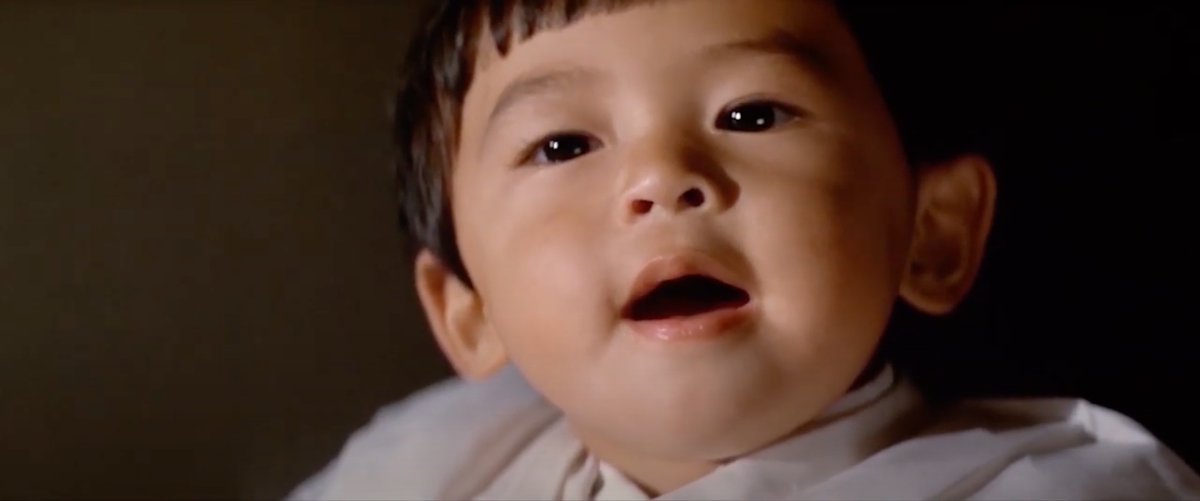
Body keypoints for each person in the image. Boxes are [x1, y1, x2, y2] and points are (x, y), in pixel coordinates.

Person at [289, 1, 1200, 498]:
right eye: (563, 145)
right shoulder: (440, 460)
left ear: (933, 231)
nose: (662, 177)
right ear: (469, 313)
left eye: (751, 115)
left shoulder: (1066, 489)